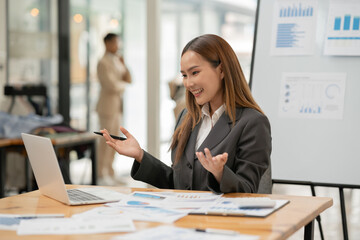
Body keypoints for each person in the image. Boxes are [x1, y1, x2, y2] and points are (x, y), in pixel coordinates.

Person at [101, 34, 271, 193]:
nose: (188, 83)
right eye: (184, 75)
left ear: (222, 70)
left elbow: (248, 191)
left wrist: (220, 173)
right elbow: (178, 183)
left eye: (195, 73)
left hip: (220, 222)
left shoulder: (253, 123)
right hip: (183, 220)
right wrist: (140, 156)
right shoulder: (187, 118)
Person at [96, 33, 132, 185]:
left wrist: (124, 65)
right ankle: (101, 173)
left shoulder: (117, 60)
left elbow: (129, 79)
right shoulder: (102, 62)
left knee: (115, 140)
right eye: (115, 42)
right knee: (106, 140)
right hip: (107, 107)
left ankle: (110, 171)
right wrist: (123, 85)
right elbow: (111, 85)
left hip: (117, 106)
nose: (118, 46)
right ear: (107, 43)